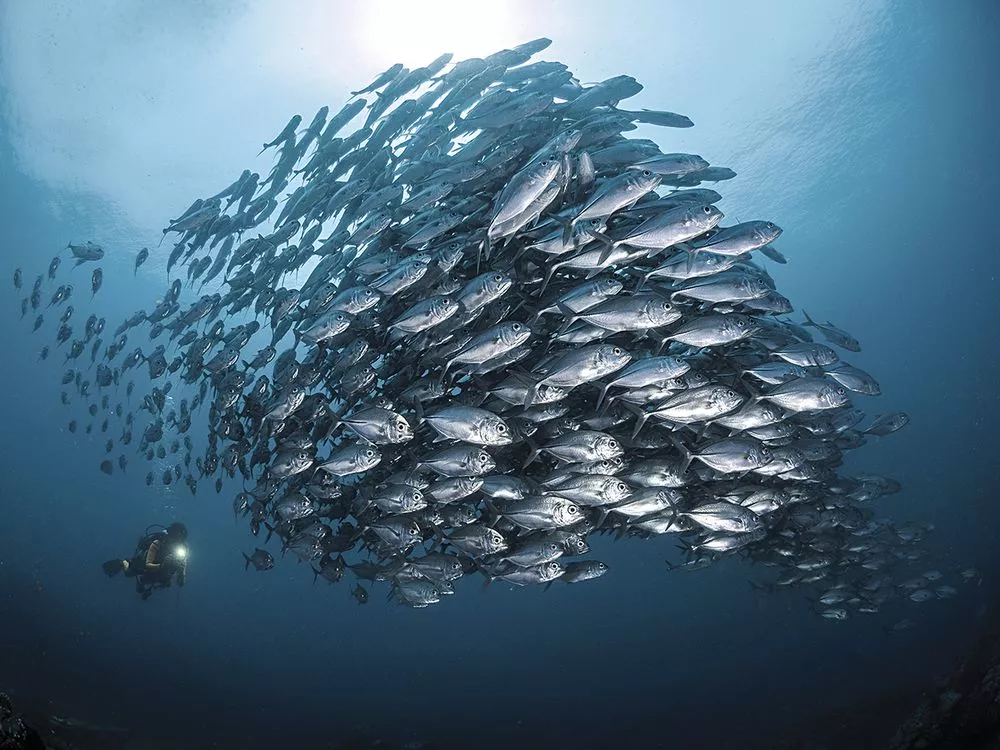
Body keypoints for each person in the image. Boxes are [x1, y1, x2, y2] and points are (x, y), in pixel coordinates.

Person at [102, 522, 188, 599]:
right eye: (175, 536)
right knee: (128, 573)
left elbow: (181, 582)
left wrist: (181, 572)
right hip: (146, 565)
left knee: (162, 581)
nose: (176, 541)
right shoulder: (158, 542)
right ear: (170, 534)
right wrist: (163, 564)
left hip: (159, 575)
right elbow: (147, 563)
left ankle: (146, 583)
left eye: (180, 539)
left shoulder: (182, 551)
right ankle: (123, 562)